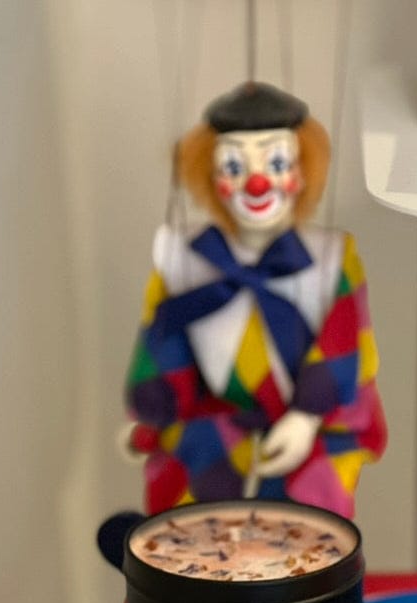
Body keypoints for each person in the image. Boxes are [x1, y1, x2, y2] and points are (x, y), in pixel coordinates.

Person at [124, 82, 387, 519]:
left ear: (303, 172)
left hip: (310, 426)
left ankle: (301, 582)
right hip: (214, 416)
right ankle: (179, 574)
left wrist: (306, 416)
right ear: (210, 176)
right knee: (190, 488)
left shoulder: (331, 259)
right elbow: (164, 340)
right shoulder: (181, 258)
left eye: (277, 161)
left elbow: (346, 349)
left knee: (313, 501)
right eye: (233, 165)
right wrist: (155, 414)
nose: (257, 182)